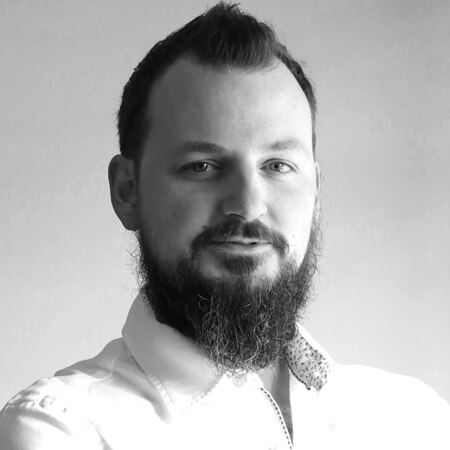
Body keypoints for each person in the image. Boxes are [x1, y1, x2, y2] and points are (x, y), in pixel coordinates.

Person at [1, 3, 449, 449]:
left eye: (277, 165)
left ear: (316, 190)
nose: (248, 207)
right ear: (127, 191)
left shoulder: (416, 417)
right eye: (202, 166)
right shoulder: (59, 429)